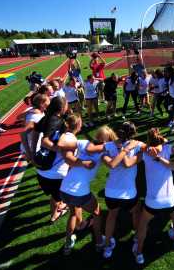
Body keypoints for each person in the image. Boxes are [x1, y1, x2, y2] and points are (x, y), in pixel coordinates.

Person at [59, 119, 113, 255]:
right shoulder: (105, 151)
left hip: (64, 188)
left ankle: (67, 245)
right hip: (79, 191)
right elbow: (112, 162)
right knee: (97, 213)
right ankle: (100, 242)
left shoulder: (83, 142)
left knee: (73, 213)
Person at [130, 128, 174, 265]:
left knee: (143, 224)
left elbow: (137, 144)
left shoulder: (145, 153)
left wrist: (147, 146)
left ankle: (139, 252)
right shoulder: (167, 148)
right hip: (170, 199)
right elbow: (172, 144)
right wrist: (161, 143)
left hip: (153, 202)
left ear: (148, 140)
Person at [100, 122, 141, 259]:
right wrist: (125, 149)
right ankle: (136, 237)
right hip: (129, 194)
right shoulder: (137, 146)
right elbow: (128, 163)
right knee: (136, 212)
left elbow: (111, 163)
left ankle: (107, 245)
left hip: (111, 193)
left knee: (112, 215)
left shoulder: (107, 147)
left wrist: (120, 148)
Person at [32, 96, 70, 223]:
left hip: (41, 169)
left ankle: (57, 210)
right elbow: (45, 141)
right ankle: (55, 214)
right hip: (54, 171)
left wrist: (33, 150)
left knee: (55, 195)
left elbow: (35, 133)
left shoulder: (46, 117)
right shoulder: (56, 120)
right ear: (62, 107)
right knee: (58, 196)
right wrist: (60, 149)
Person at [20, 94, 50, 163]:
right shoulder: (35, 116)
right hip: (33, 149)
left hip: (36, 146)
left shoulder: (40, 112)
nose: (50, 102)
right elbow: (23, 133)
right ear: (42, 104)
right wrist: (29, 152)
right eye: (48, 101)